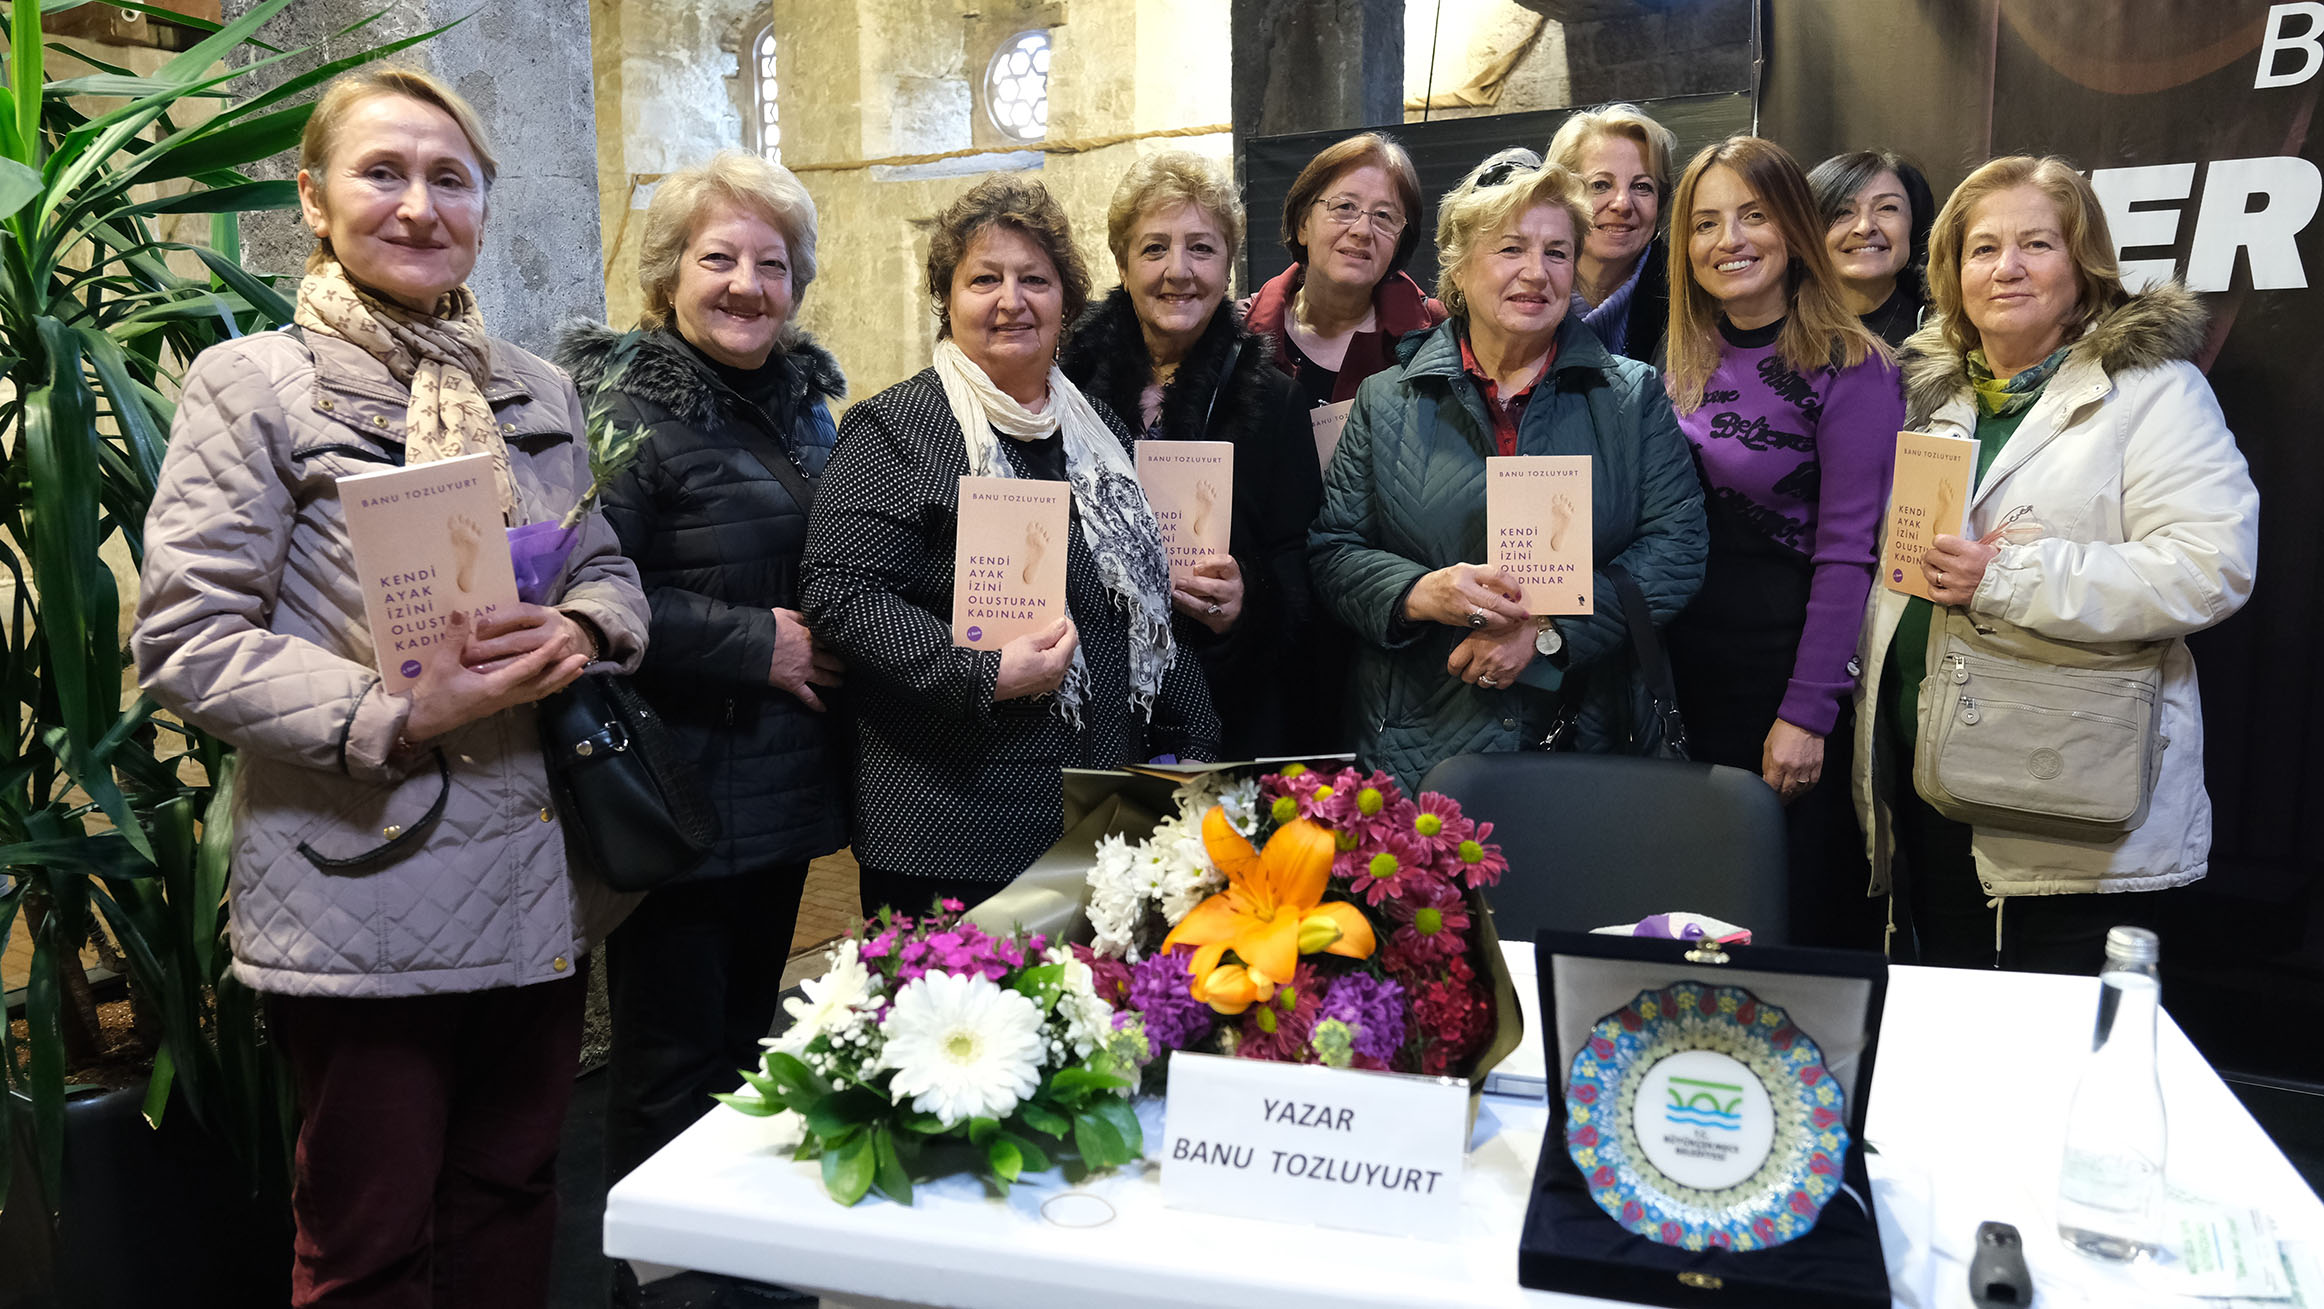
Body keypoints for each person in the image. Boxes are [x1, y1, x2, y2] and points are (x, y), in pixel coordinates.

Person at [132, 67, 648, 1306]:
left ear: (482, 204)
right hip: (365, 879)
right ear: (313, 199)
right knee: (367, 1236)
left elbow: (607, 562)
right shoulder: (254, 385)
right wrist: (392, 710)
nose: (418, 205)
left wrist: (582, 628)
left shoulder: (535, 383)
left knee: (514, 1190)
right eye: (382, 172)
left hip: (539, 868)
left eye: (449, 178)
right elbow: (187, 636)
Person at [551, 151, 847, 1267]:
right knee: (667, 1071)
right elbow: (585, 586)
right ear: (669, 271)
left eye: (770, 264)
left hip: (777, 786)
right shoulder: (623, 408)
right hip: (674, 790)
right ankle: (657, 1284)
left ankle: (739, 1270)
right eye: (717, 258)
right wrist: (752, 642)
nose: (744, 284)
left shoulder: (805, 410)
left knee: (740, 1050)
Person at [1853, 156, 2257, 972]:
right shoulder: (1938, 396)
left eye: (2037, 244)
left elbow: (2211, 565)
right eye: (1982, 248)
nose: (2006, 268)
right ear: (1950, 272)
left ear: (2085, 265)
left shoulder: (2153, 390)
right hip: (1930, 785)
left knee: (2054, 1057)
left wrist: (2004, 580)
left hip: (2061, 796)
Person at [799, 174, 1218, 915]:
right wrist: (979, 671)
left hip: (1098, 809)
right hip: (950, 818)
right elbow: (841, 594)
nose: (1010, 300)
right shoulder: (896, 429)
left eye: (1035, 279)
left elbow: (1141, 603)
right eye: (983, 279)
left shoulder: (1102, 437)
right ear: (947, 299)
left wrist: (1204, 749)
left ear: (1067, 300)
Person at [1308, 149, 1707, 792]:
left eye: (1556, 252)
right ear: (1460, 269)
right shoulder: (1386, 400)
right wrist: (1418, 594)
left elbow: (1677, 549)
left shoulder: (1632, 397)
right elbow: (1334, 551)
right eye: (1511, 249)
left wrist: (1547, 634)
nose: (1535, 273)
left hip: (1585, 736)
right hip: (1419, 742)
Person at [1662, 136, 1904, 951]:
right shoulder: (1678, 356)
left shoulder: (1854, 365)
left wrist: (1805, 712)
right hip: (1681, 678)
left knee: (1776, 913)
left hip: (1781, 678)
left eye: (1752, 215)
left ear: (1793, 227)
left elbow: (1849, 555)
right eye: (1705, 223)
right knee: (1688, 907)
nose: (1728, 240)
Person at [1060, 151, 1324, 758]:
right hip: (1086, 703)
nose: (1178, 270)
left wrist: (1247, 603)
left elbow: (1300, 560)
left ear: (1228, 265)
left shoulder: (1275, 400)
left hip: (1221, 700)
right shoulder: (1064, 389)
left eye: (1201, 249)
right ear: (1122, 265)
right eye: (1154, 248)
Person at [1243, 131, 1449, 417]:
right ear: (1303, 225)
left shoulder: (1438, 334)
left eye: (1384, 216)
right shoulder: (1238, 333)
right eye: (1344, 207)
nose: (1362, 231)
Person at [1545, 102, 1679, 364]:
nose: (1622, 204)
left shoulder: (1691, 297)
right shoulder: (1525, 284)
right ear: (1561, 196)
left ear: (1660, 201)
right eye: (1600, 185)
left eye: (1642, 186)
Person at [1809, 149, 1937, 348]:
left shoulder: (1953, 332)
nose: (1865, 227)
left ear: (1914, 223)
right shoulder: (1774, 326)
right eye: (1842, 211)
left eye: (1887, 208)